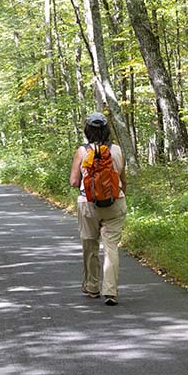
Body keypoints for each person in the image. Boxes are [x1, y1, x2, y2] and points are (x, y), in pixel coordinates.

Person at [69, 112, 127, 306]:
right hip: (115, 202)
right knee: (111, 248)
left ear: (87, 129)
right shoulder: (117, 150)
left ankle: (92, 287)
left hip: (88, 204)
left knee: (90, 245)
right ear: (106, 129)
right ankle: (110, 291)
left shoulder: (82, 151)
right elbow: (122, 181)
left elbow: (74, 181)